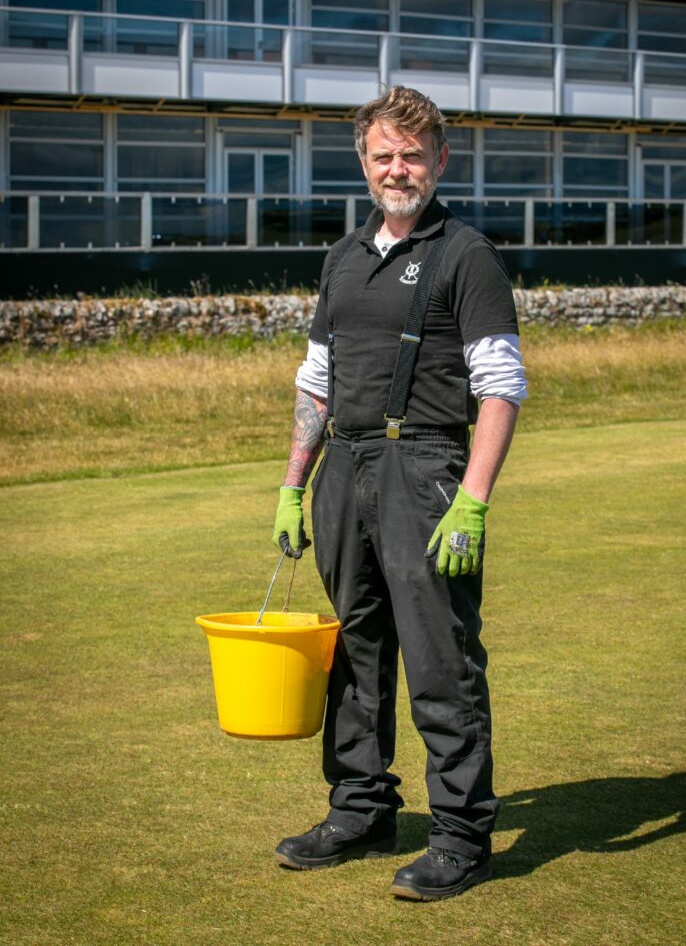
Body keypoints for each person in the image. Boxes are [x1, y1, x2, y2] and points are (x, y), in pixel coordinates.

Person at [271, 85, 527, 901]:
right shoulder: (343, 258)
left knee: (442, 658)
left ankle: (460, 835)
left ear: (440, 160)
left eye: (413, 154)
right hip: (342, 471)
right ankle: (360, 807)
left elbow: (501, 386)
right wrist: (290, 486)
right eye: (383, 155)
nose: (397, 168)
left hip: (425, 471)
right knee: (355, 652)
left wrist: (473, 499)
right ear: (364, 163)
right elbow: (316, 381)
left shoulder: (466, 254)